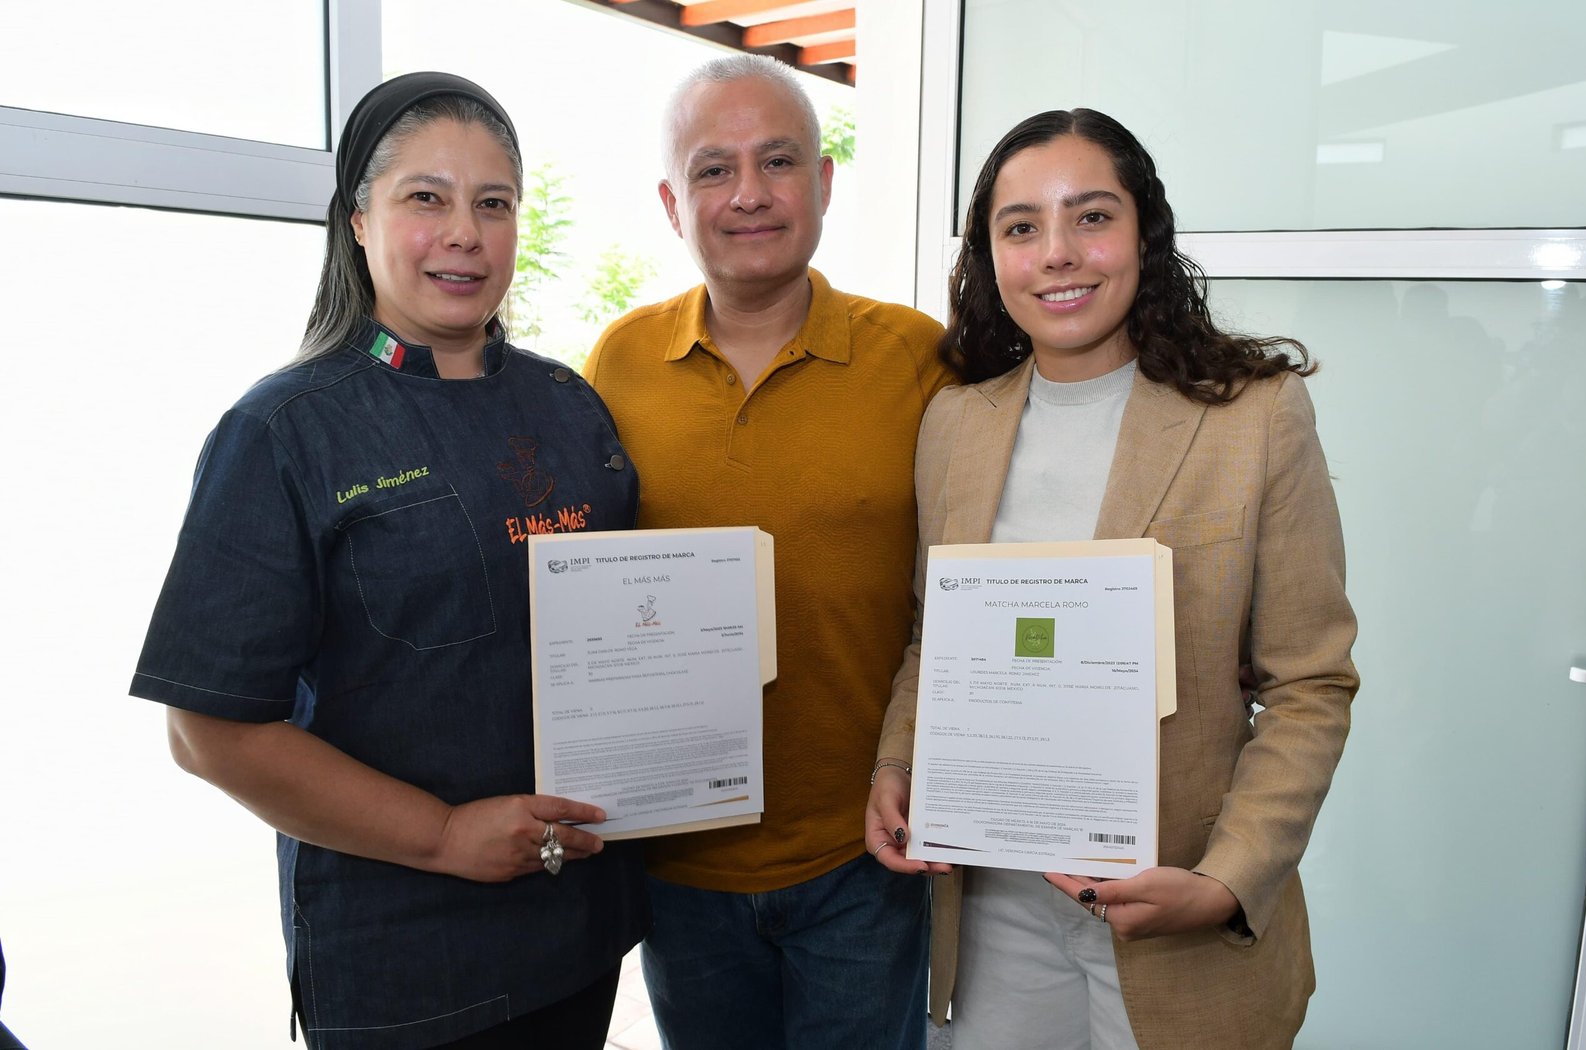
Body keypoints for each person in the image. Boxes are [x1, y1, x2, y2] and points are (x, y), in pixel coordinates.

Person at [129, 72, 648, 1050]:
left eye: (493, 204)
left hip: (579, 917)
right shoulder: (283, 432)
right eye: (426, 198)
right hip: (406, 958)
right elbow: (208, 731)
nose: (465, 233)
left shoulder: (569, 407)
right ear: (359, 219)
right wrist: (442, 835)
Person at [867, 109, 1359, 1049]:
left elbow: (1310, 683)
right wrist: (897, 764)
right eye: (1021, 227)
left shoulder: (1255, 417)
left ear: (1145, 234)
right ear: (990, 258)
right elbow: (936, 640)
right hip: (995, 912)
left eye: (1091, 216)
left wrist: (1224, 880)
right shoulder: (954, 426)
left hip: (1182, 915)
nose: (1057, 252)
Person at [583, 54, 953, 1050]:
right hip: (678, 863)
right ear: (673, 204)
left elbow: (964, 586)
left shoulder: (918, 358)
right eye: (713, 170)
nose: (748, 193)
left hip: (864, 854)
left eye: (778, 161)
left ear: (823, 183)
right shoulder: (617, 362)